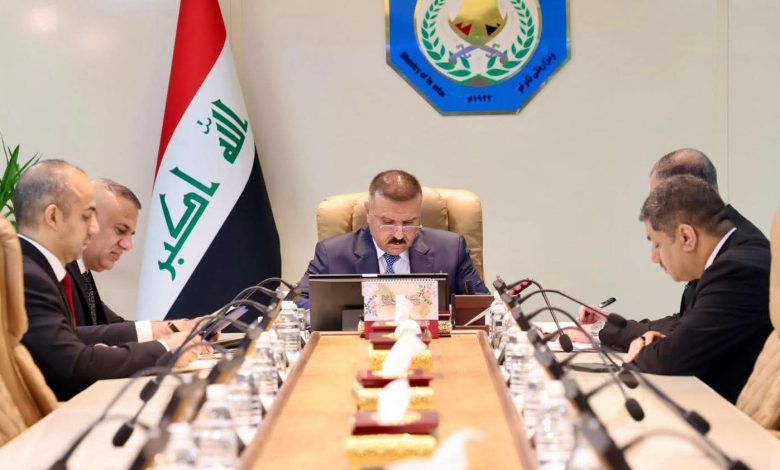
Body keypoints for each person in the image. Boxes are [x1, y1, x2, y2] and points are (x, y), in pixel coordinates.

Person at [14, 160, 202, 400]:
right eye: (86, 217)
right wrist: (165, 349)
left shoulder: (40, 269)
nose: (93, 229)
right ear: (53, 217)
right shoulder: (28, 275)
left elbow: (76, 338)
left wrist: (166, 334)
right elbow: (73, 364)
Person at [581, 148, 768, 342]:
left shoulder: (738, 264)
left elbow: (685, 341)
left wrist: (611, 333)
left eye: (658, 199)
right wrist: (608, 327)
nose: (653, 211)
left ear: (688, 191)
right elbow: (686, 322)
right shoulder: (726, 240)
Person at [620, 175, 770, 402]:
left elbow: (673, 360)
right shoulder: (734, 255)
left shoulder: (737, 270)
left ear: (686, 237)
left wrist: (642, 347)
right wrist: (663, 341)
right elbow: (686, 331)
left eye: (657, 244)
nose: (654, 257)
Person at [297, 170, 488, 309]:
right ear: (368, 212)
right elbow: (297, 302)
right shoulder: (332, 254)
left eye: (409, 223)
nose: (398, 235)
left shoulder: (451, 249)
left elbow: (482, 305)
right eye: (387, 223)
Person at [67, 179, 198, 340]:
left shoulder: (82, 274)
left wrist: (180, 329)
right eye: (120, 230)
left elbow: (112, 326)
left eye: (130, 235)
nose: (128, 245)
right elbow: (66, 338)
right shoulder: (54, 273)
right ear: (88, 222)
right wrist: (166, 336)